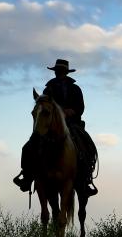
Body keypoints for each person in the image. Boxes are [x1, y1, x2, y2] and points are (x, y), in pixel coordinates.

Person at [13, 59, 98, 197]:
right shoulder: (48, 89)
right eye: (57, 71)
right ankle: (27, 176)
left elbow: (80, 107)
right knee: (28, 146)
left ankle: (85, 177)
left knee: (86, 143)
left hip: (72, 123)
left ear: (65, 72)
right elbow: (44, 105)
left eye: (61, 71)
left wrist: (71, 111)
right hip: (52, 125)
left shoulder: (75, 89)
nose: (58, 73)